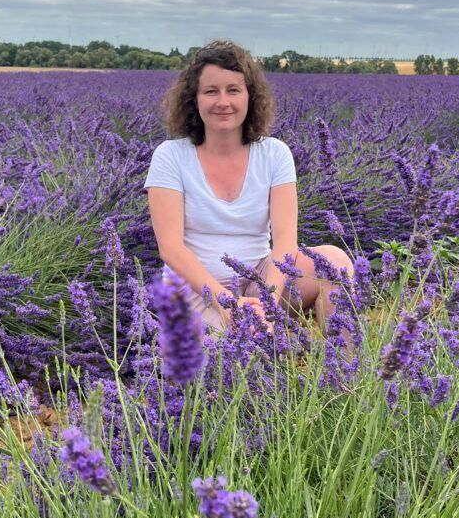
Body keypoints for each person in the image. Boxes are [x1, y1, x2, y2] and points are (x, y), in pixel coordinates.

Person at [144, 39, 354, 331]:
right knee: (237, 355)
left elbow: (284, 244)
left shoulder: (274, 153)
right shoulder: (170, 156)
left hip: (260, 279)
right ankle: (278, 345)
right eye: (210, 91)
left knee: (335, 263)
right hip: (195, 290)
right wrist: (226, 302)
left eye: (233, 90)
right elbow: (171, 249)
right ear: (194, 99)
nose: (223, 102)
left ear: (250, 97)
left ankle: (344, 370)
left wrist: (267, 302)